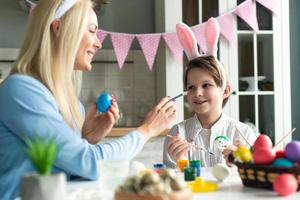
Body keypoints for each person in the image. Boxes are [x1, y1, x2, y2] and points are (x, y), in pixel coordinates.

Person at [0, 0, 176, 199]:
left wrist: (87, 138)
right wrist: (146, 130)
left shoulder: (72, 104)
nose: (98, 42)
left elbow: (68, 168)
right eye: (92, 31)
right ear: (58, 28)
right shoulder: (21, 90)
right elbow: (89, 162)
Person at [163, 18, 256, 168]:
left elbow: (252, 180)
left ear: (225, 91)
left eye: (206, 85)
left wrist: (241, 165)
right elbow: (171, 184)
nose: (197, 93)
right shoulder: (178, 133)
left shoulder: (243, 134)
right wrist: (181, 162)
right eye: (191, 87)